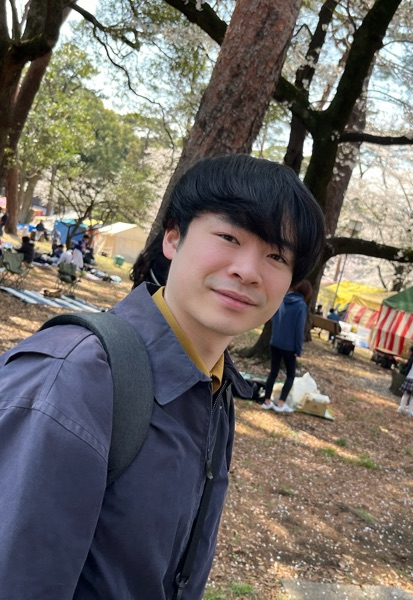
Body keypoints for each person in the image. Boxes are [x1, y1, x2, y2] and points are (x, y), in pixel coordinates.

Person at [0, 154, 325, 598]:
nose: (248, 271)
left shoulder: (213, 386)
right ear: (174, 237)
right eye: (229, 237)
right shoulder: (74, 378)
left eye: (275, 255)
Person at [261, 280, 312, 414]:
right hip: (289, 347)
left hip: (275, 342)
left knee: (273, 372)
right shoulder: (301, 306)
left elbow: (274, 319)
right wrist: (298, 349)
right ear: (307, 293)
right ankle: (281, 403)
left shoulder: (282, 299)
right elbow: (299, 330)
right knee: (290, 375)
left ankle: (267, 401)